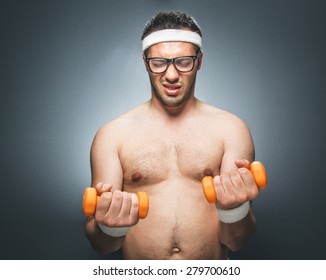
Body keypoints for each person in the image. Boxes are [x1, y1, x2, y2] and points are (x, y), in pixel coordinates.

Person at [85, 11, 260, 260]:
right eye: (159, 63)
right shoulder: (112, 135)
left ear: (199, 61)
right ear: (145, 62)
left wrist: (235, 209)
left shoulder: (231, 129)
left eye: (184, 61)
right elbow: (103, 245)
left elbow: (236, 240)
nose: (171, 75)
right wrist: (109, 226)